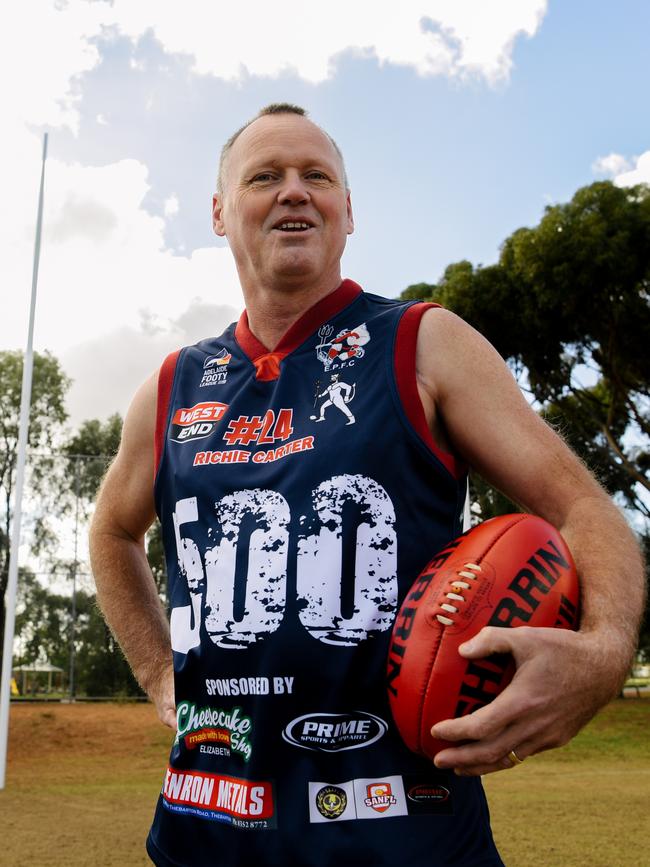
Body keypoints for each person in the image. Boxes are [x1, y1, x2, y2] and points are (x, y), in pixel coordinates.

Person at [89, 103, 644, 866]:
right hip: (205, 830)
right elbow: (112, 530)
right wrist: (158, 671)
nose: (294, 191)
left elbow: (583, 506)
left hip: (404, 834)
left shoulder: (425, 343)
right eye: (265, 176)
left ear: (347, 211)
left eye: (316, 176)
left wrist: (604, 649)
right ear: (221, 212)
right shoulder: (172, 387)